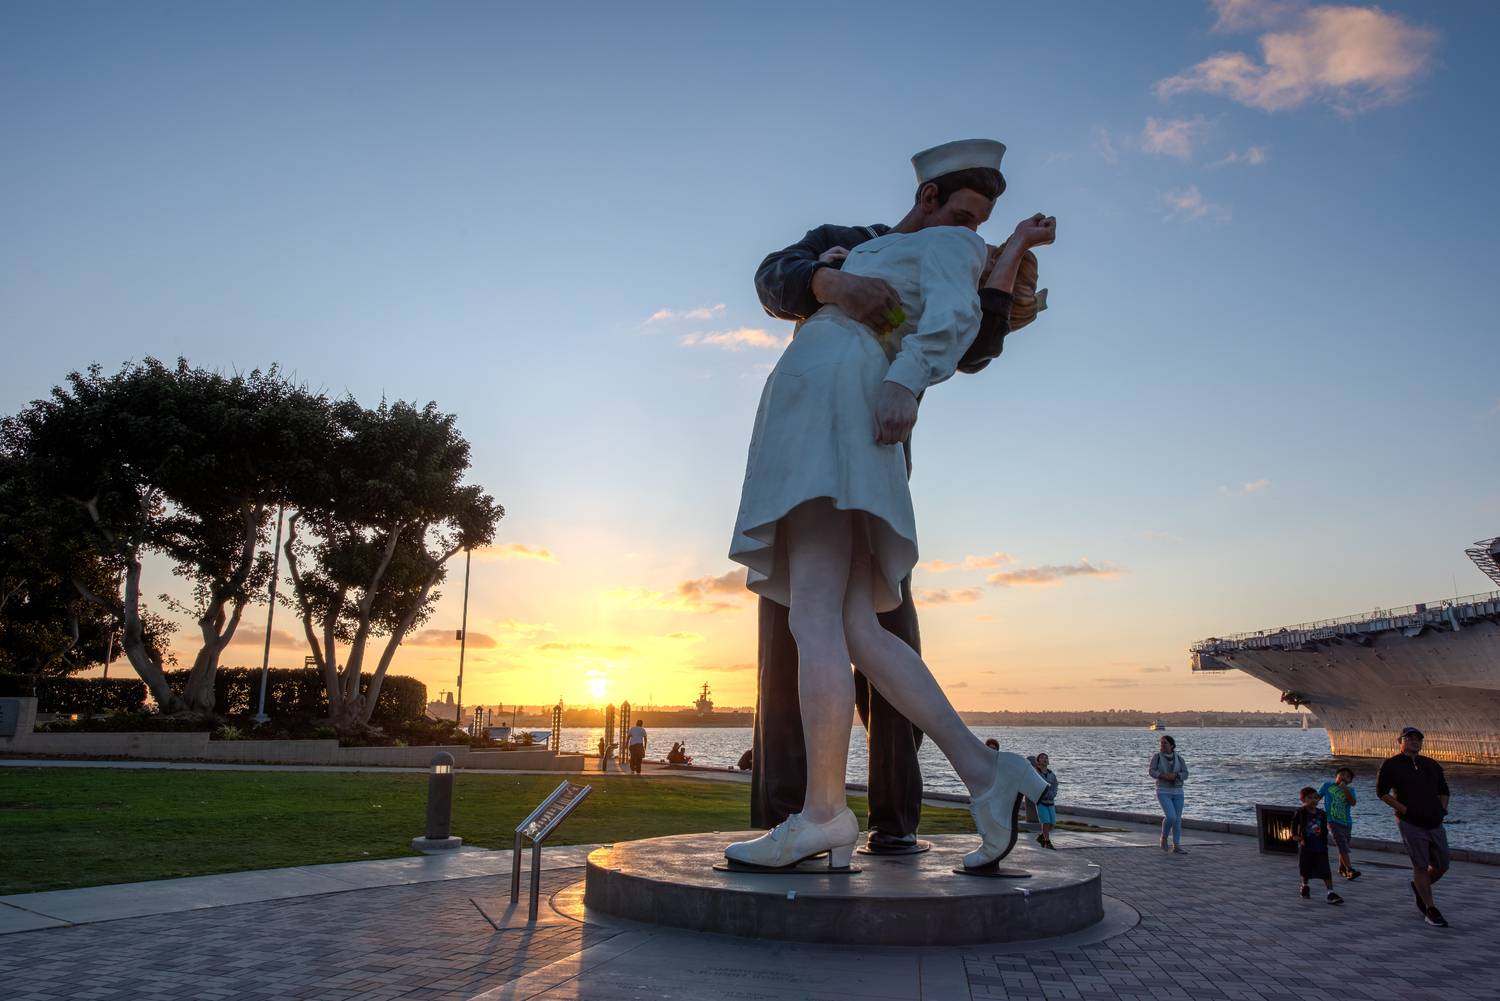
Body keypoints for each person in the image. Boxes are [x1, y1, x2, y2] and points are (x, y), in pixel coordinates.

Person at [725, 138, 1058, 870]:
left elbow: (964, 327)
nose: (970, 231)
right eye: (963, 214)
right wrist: (831, 278)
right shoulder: (873, 244)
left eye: (981, 225)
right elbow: (776, 275)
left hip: (835, 395)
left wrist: (906, 376)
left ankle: (822, 813)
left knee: (814, 615)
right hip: (837, 395)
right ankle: (985, 771)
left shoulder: (949, 246)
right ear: (929, 197)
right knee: (857, 627)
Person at [1377, 726, 1451, 927]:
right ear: (1399, 741)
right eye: (1409, 738)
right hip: (1410, 822)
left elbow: (1444, 790)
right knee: (1420, 865)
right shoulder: (1391, 765)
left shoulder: (1431, 764)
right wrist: (1405, 810)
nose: (1414, 741)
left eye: (1418, 738)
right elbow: (1382, 792)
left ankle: (1419, 887)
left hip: (1435, 821)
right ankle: (1430, 909)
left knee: (1443, 864)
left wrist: (1442, 809)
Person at [1291, 786, 1344, 905]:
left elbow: (1324, 829)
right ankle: (1305, 886)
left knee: (1325, 869)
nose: (1313, 800)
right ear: (1303, 799)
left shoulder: (1322, 813)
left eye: (1315, 797)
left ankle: (1330, 893)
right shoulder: (1301, 812)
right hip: (1307, 847)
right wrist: (1297, 837)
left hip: (1320, 847)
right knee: (1305, 868)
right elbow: (1294, 827)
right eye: (1310, 798)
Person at [1318, 767, 1361, 879]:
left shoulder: (1350, 790)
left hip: (1347, 823)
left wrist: (1345, 789)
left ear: (1350, 781)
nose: (1344, 777)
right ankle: (1350, 869)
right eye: (1342, 774)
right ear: (1336, 776)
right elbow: (1316, 798)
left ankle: (1342, 868)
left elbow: (1352, 803)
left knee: (1344, 846)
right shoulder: (1327, 786)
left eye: (1347, 777)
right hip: (1333, 822)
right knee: (1342, 845)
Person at [1149, 734, 1188, 854]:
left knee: (1177, 820)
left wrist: (1176, 775)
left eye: (1165, 743)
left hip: (1178, 791)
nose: (1162, 745)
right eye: (1161, 743)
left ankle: (1177, 845)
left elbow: (1185, 773)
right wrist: (1162, 775)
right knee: (1171, 817)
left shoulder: (1179, 758)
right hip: (1163, 790)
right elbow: (1151, 771)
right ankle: (1164, 837)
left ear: (1172, 745)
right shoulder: (1157, 757)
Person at [1031, 753, 1059, 849]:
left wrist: (1053, 794)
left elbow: (1055, 785)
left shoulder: (1051, 774)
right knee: (1045, 821)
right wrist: (1039, 795)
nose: (1044, 759)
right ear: (1038, 761)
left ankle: (1041, 837)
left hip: (1050, 801)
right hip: (1041, 801)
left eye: (1046, 758)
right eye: (1042, 758)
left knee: (1052, 823)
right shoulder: (1035, 773)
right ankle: (1047, 842)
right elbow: (1033, 784)